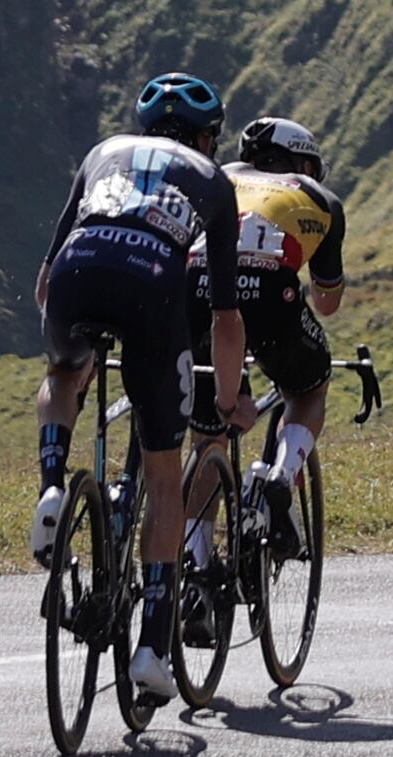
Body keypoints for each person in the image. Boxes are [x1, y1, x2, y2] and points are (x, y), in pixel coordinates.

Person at [34, 72, 251, 703]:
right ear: (209, 139)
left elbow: (47, 280)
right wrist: (230, 398)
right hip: (153, 287)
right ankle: (154, 648)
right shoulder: (213, 181)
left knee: (61, 375)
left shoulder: (103, 152)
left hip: (78, 276)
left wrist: (75, 353)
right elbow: (226, 318)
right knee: (163, 475)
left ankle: (52, 486)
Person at [207, 114, 349, 562]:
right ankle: (283, 474)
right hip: (271, 298)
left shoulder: (213, 178)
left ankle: (196, 559)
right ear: (302, 166)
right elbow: (327, 304)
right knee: (309, 386)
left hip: (198, 292)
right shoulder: (318, 197)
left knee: (209, 427)